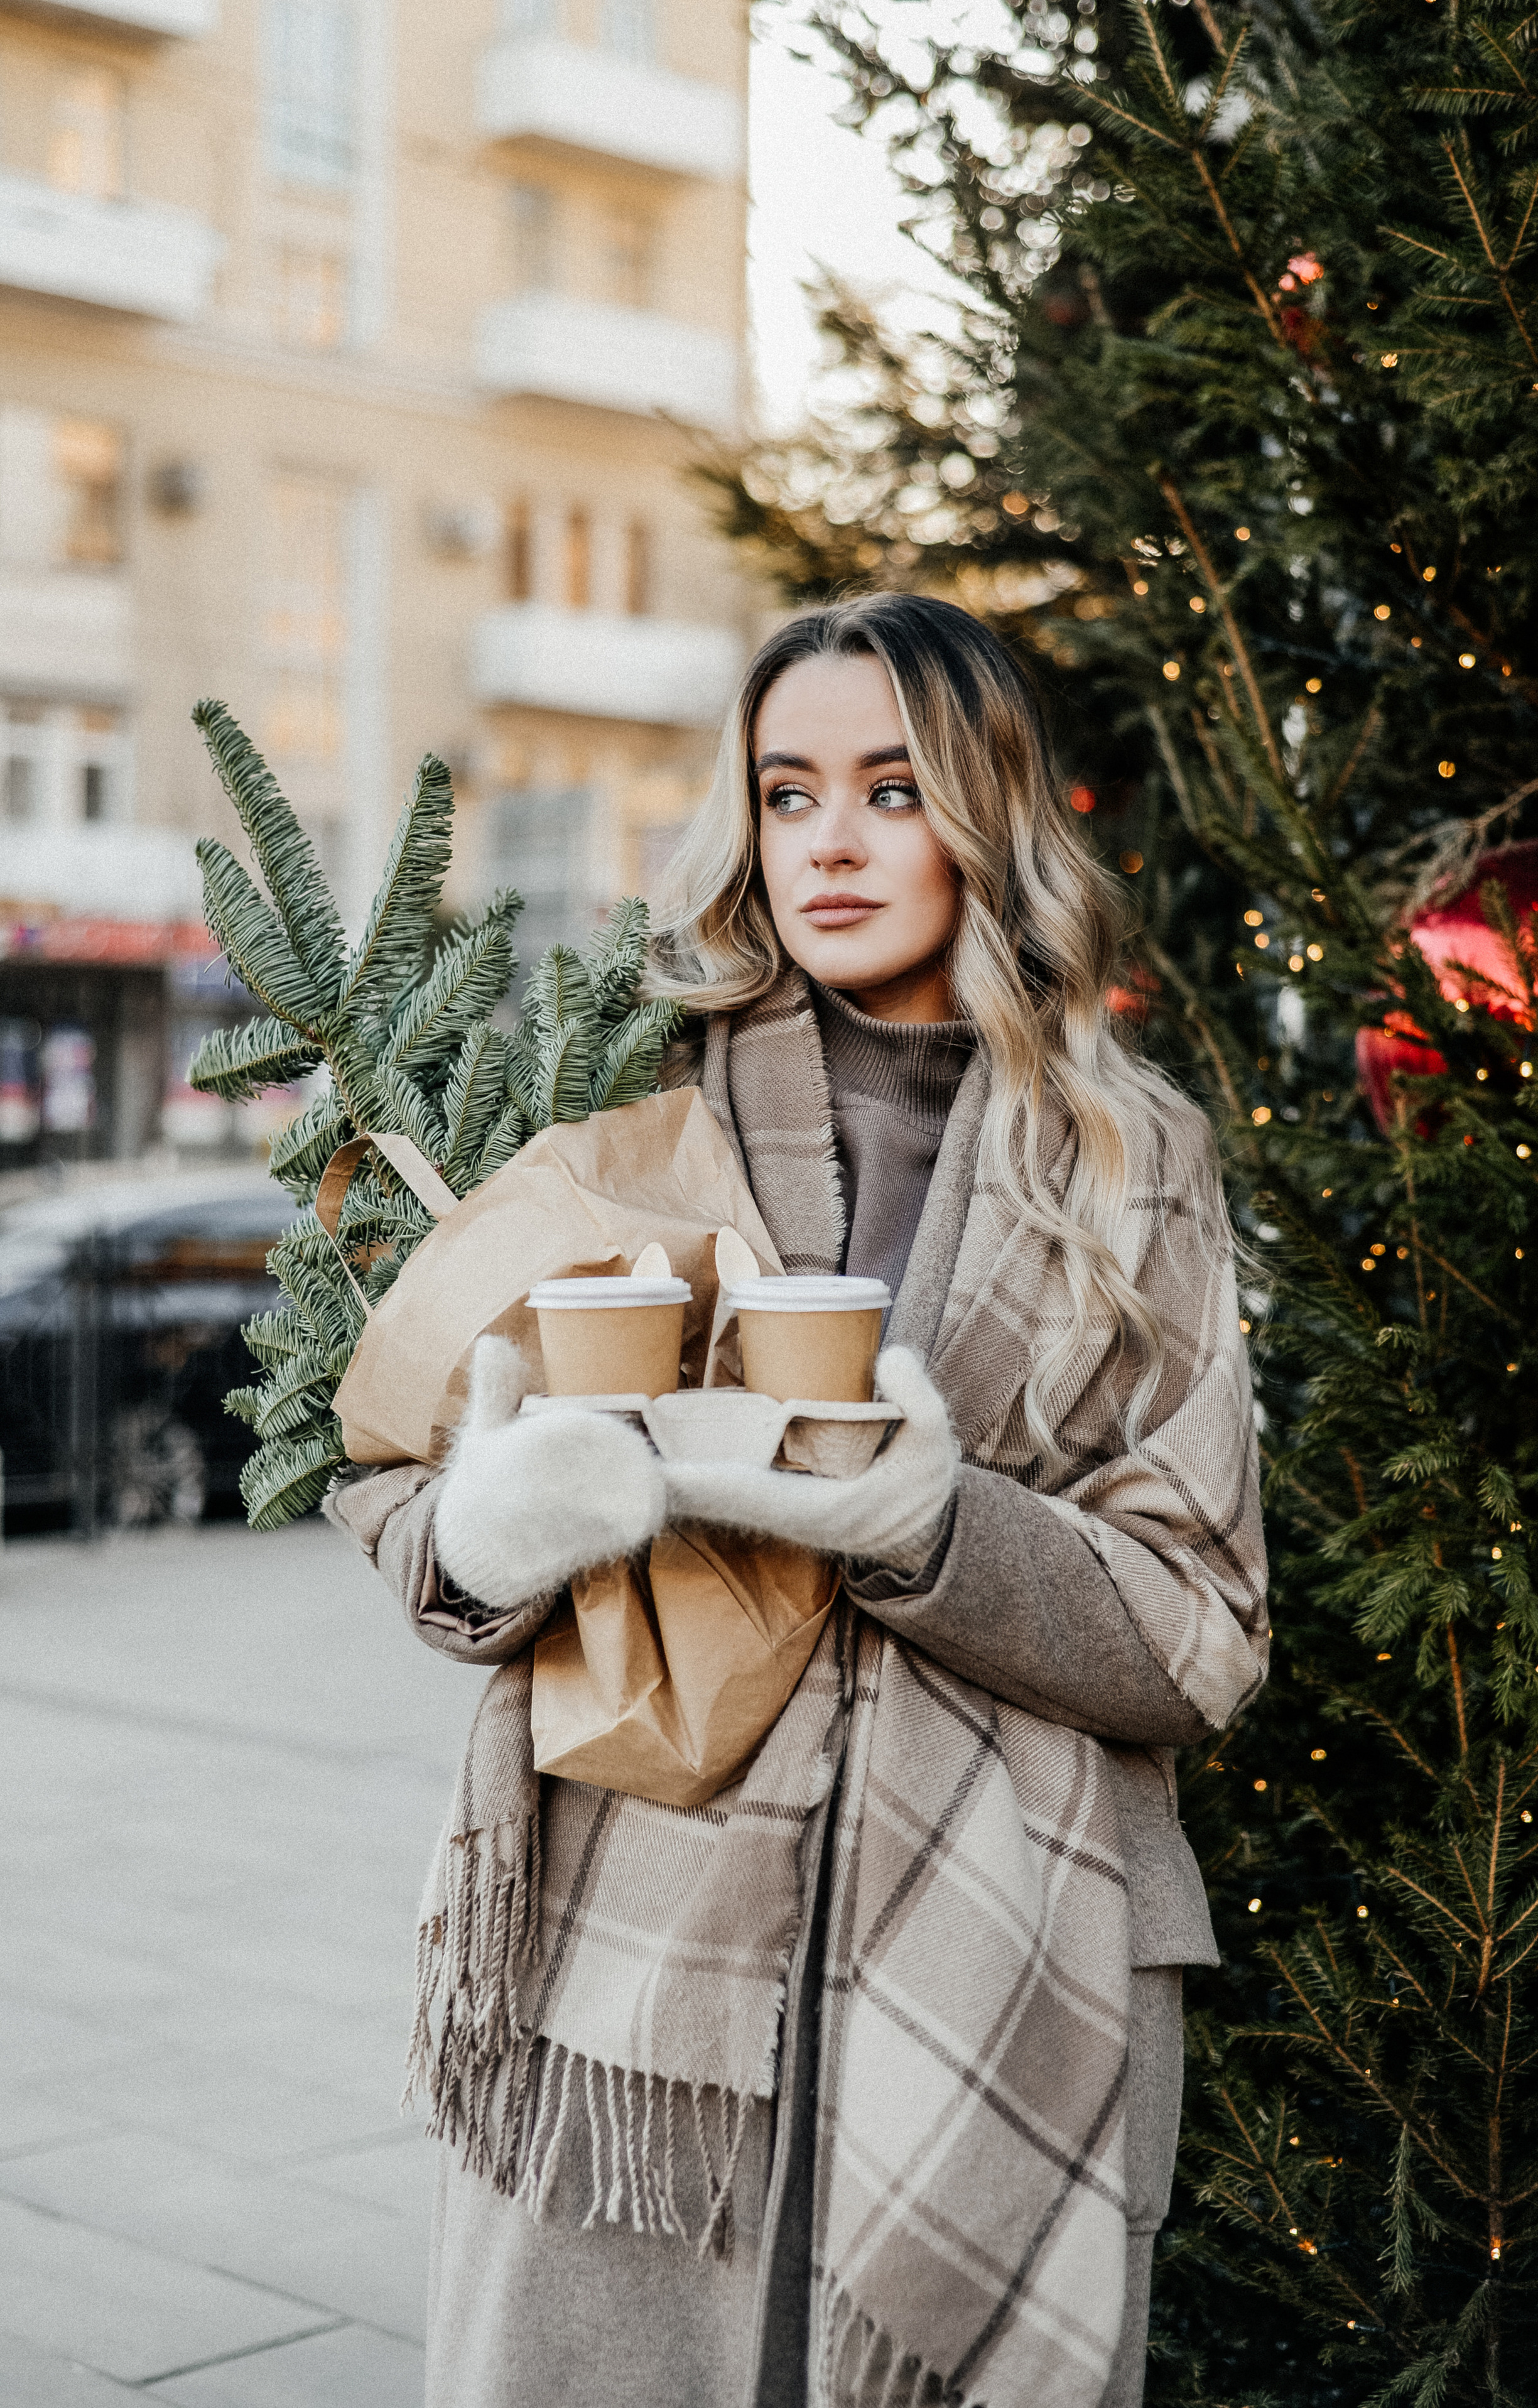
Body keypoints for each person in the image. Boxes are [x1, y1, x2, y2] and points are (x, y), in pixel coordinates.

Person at [327, 594, 1267, 2408]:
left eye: (892, 788)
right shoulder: (625, 1109)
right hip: (640, 1977)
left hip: (1013, 1964)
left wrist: (932, 1528)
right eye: (787, 789)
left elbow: (1205, 1629)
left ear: (988, 816)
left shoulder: (1133, 1168)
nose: (828, 839)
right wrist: (488, 1526)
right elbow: (383, 1464)